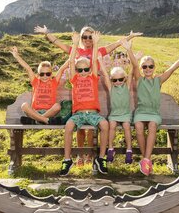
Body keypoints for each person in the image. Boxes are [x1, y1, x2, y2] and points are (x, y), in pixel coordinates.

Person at [35, 25, 141, 166]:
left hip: (94, 86)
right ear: (81, 38)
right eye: (84, 36)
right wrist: (47, 33)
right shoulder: (76, 51)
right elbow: (58, 43)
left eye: (90, 37)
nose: (87, 39)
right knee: (80, 128)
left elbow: (115, 45)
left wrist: (130, 36)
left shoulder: (99, 50)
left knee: (91, 127)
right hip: (79, 87)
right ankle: (80, 154)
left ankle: (90, 155)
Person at [127, 45, 179, 175]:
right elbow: (134, 66)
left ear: (154, 68)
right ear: (141, 69)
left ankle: (146, 159)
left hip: (153, 113)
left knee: (152, 126)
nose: (147, 69)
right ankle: (145, 159)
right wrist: (129, 50)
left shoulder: (158, 80)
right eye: (144, 67)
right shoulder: (139, 80)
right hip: (141, 112)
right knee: (139, 126)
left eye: (150, 66)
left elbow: (172, 68)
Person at [60, 32, 110, 176]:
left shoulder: (93, 78)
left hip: (93, 113)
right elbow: (70, 62)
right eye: (79, 69)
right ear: (75, 71)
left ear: (90, 70)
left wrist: (96, 43)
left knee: (105, 125)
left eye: (86, 69)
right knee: (69, 126)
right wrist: (75, 44)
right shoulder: (74, 80)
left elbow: (94, 61)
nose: (83, 72)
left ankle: (101, 158)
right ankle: (67, 159)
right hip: (79, 114)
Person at [9, 47, 67, 125]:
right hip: (35, 112)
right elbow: (28, 68)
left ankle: (36, 121)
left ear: (51, 74)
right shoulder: (35, 82)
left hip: (49, 112)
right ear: (38, 75)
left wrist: (74, 49)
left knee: (57, 106)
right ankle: (44, 120)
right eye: (42, 74)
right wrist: (17, 56)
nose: (45, 76)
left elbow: (62, 68)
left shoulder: (54, 82)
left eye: (48, 74)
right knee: (24, 105)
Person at [99, 46, 134, 165]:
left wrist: (133, 57)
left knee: (126, 127)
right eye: (115, 80)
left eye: (120, 79)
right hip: (114, 114)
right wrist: (100, 60)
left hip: (125, 113)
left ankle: (129, 149)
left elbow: (132, 71)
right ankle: (110, 148)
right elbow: (104, 73)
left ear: (124, 79)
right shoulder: (111, 88)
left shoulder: (127, 86)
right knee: (112, 125)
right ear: (111, 80)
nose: (118, 82)